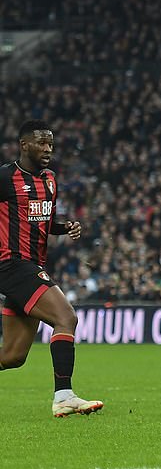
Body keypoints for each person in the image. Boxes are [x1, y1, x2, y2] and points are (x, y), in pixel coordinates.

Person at [0, 120, 102, 417]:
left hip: (31, 264)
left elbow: (43, 220)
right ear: (24, 145)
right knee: (66, 317)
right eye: (42, 143)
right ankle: (64, 395)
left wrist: (63, 226)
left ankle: (64, 395)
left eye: (51, 145)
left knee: (13, 356)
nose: (48, 149)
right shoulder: (6, 177)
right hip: (11, 264)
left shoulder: (50, 179)